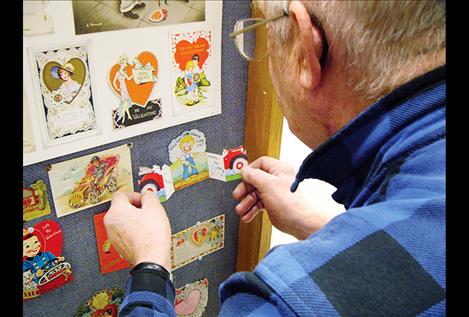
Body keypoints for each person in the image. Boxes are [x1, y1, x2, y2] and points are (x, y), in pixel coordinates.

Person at [104, 1, 446, 316]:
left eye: (260, 33)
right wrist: (315, 223)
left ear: (303, 49)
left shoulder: (283, 303)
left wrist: (150, 265)